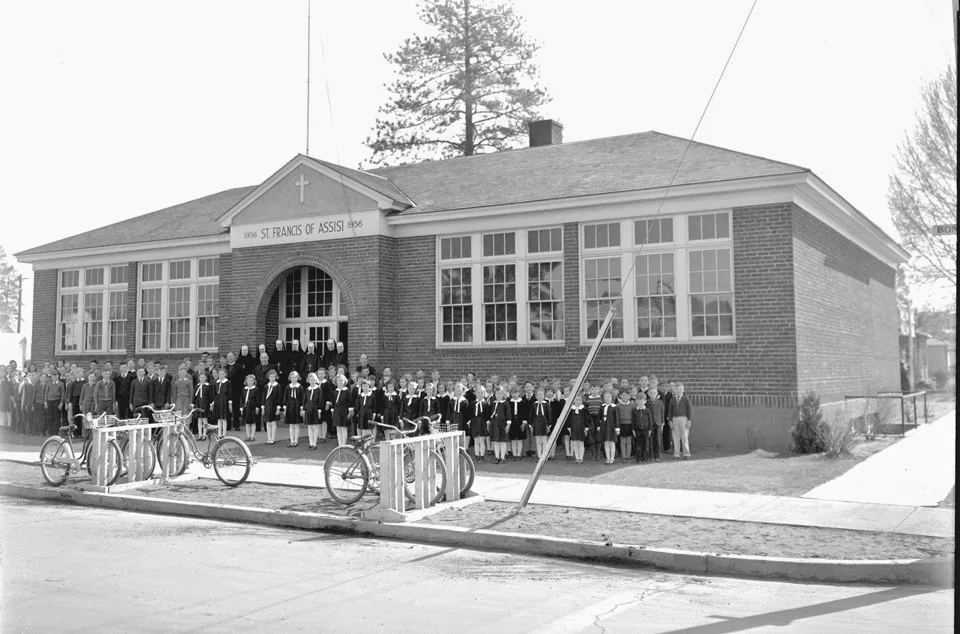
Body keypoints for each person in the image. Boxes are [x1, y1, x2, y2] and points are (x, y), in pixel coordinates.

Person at [668, 382, 693, 460]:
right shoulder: (672, 400)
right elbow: (670, 411)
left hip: (684, 419)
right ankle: (676, 453)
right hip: (675, 419)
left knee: (684, 437)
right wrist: (670, 420)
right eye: (677, 389)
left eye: (680, 389)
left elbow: (690, 410)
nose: (679, 391)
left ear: (683, 390)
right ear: (674, 390)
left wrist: (689, 420)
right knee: (675, 437)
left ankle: (686, 453)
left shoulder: (686, 399)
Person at [282, 371, 305, 448]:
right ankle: (292, 440)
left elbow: (302, 398)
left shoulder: (300, 387)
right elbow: (285, 397)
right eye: (292, 377)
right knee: (291, 424)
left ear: (297, 378)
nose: (293, 379)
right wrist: (285, 408)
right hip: (290, 406)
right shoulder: (288, 387)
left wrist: (302, 409)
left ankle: (296, 440)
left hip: (297, 406)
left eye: (295, 377)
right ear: (290, 378)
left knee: (296, 424)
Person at [530, 387, 552, 460]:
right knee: (538, 441)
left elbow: (549, 415)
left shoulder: (546, 404)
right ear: (536, 396)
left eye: (541, 395)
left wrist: (549, 425)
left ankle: (545, 455)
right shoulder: (534, 405)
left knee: (544, 441)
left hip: (544, 424)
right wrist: (531, 425)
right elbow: (531, 415)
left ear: (544, 395)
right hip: (536, 424)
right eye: (538, 395)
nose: (540, 396)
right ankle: (539, 455)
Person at [261, 369, 281, 445]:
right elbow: (263, 397)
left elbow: (279, 397)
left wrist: (278, 408)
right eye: (271, 376)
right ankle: (269, 438)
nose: (272, 378)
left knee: (273, 422)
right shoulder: (266, 386)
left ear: (275, 377)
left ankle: (273, 438)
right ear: (268, 377)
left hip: (274, 405)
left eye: (273, 377)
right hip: (267, 405)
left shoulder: (277, 386)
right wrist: (263, 407)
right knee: (268, 422)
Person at [304, 372, 323, 450]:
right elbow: (305, 400)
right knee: (310, 427)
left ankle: (315, 443)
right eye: (310, 380)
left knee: (315, 427)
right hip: (309, 408)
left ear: (316, 380)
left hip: (315, 408)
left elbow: (320, 400)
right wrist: (304, 409)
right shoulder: (307, 389)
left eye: (313, 380)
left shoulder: (318, 389)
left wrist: (319, 410)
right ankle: (310, 443)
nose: (312, 381)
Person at [584, 385, 603, 462]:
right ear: (590, 390)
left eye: (596, 389)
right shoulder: (587, 400)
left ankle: (598, 455)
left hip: (598, 420)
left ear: (598, 390)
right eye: (592, 389)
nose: (594, 390)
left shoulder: (600, 400)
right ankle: (593, 455)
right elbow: (586, 410)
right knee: (592, 438)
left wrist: (600, 420)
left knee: (598, 437)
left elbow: (602, 410)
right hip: (590, 420)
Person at [599, 390, 618, 465]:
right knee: (606, 442)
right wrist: (598, 426)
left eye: (609, 397)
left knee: (611, 442)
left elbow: (617, 418)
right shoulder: (602, 407)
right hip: (604, 426)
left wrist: (617, 428)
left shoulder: (614, 407)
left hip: (611, 426)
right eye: (605, 397)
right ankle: (608, 458)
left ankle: (612, 458)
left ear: (612, 398)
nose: (607, 398)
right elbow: (599, 417)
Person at [240, 374, 260, 443]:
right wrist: (241, 407)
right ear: (246, 381)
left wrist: (257, 407)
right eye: (249, 380)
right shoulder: (244, 389)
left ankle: (252, 436)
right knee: (247, 422)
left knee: (253, 422)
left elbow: (258, 399)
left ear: (254, 381)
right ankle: (248, 436)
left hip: (253, 407)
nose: (250, 382)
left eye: (252, 380)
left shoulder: (256, 389)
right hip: (246, 407)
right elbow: (242, 399)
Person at [645, 386, 663, 463]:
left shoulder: (660, 402)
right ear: (648, 394)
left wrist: (662, 423)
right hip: (650, 423)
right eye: (651, 393)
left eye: (654, 393)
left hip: (658, 423)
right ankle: (651, 455)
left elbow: (662, 413)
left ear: (657, 394)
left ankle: (657, 456)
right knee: (651, 440)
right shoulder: (647, 402)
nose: (653, 394)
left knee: (658, 440)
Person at [616, 389, 634, 463]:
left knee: (629, 441)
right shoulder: (618, 406)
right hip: (621, 425)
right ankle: (624, 456)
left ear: (629, 396)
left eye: (627, 395)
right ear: (620, 396)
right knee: (623, 441)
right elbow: (617, 417)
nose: (625, 397)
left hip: (630, 425)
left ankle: (628, 456)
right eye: (623, 395)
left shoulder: (633, 405)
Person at [212, 367, 232, 439]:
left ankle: (224, 434)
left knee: (224, 418)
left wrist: (230, 403)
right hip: (218, 400)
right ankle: (219, 433)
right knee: (219, 418)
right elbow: (214, 393)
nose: (221, 375)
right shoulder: (216, 382)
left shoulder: (228, 382)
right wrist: (213, 402)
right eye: (219, 374)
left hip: (224, 400)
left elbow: (230, 393)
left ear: (225, 374)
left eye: (222, 374)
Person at [507, 385, 525, 461]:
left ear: (519, 393)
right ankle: (514, 454)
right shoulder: (509, 402)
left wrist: (524, 422)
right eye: (513, 393)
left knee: (520, 439)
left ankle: (519, 454)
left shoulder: (522, 402)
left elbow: (525, 413)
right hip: (512, 421)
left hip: (520, 421)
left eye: (516, 393)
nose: (515, 394)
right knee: (513, 439)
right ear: (511, 394)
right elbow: (508, 413)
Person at [568, 393, 587, 464]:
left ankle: (581, 457)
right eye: (576, 399)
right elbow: (569, 419)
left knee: (581, 443)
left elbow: (587, 419)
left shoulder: (584, 409)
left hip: (581, 428)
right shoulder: (571, 409)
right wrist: (569, 427)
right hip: (573, 428)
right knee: (575, 443)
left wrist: (586, 428)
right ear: (574, 400)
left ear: (582, 400)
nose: (578, 401)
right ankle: (577, 457)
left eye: (580, 400)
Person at [194, 371, 212, 440]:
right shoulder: (197, 386)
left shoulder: (208, 386)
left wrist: (211, 404)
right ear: (199, 378)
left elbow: (210, 396)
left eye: (203, 377)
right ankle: (200, 434)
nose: (202, 379)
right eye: (201, 377)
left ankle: (204, 434)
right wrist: (193, 403)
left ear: (206, 378)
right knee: (199, 419)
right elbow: (194, 396)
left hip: (205, 403)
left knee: (205, 419)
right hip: (198, 403)